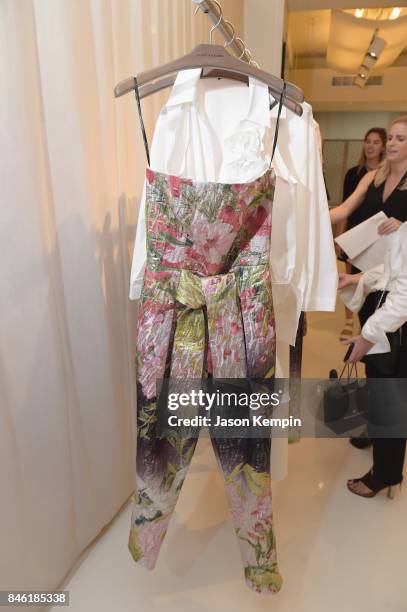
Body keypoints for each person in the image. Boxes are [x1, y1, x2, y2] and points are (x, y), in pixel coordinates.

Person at [330, 115, 407, 497]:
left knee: (391, 388)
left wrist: (368, 332)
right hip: (377, 288)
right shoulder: (373, 176)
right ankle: (375, 432)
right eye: (389, 137)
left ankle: (386, 474)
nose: (391, 144)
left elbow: (403, 283)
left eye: (399, 139)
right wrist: (355, 279)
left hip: (397, 307)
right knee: (378, 377)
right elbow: (389, 267)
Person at [337, 128, 387, 343]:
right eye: (368, 141)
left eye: (376, 142)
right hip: (356, 234)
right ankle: (350, 320)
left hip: (379, 237)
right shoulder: (355, 174)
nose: (371, 146)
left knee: (377, 283)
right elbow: (345, 207)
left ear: (382, 147)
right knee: (352, 279)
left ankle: (371, 327)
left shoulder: (389, 175)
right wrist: (340, 236)